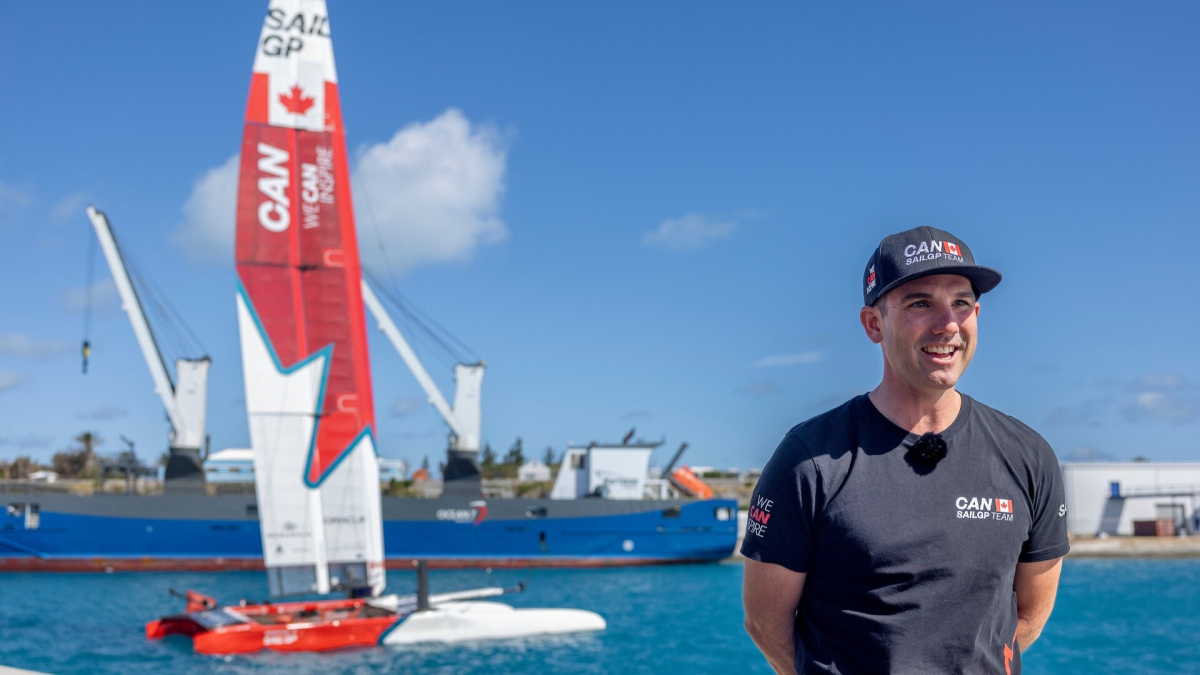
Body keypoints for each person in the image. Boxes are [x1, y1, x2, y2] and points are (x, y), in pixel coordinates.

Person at [742, 226, 1069, 674]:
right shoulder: (809, 459)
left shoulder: (1028, 456)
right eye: (920, 303)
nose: (947, 323)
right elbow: (765, 623)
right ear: (874, 324)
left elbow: (1028, 616)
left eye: (961, 303)